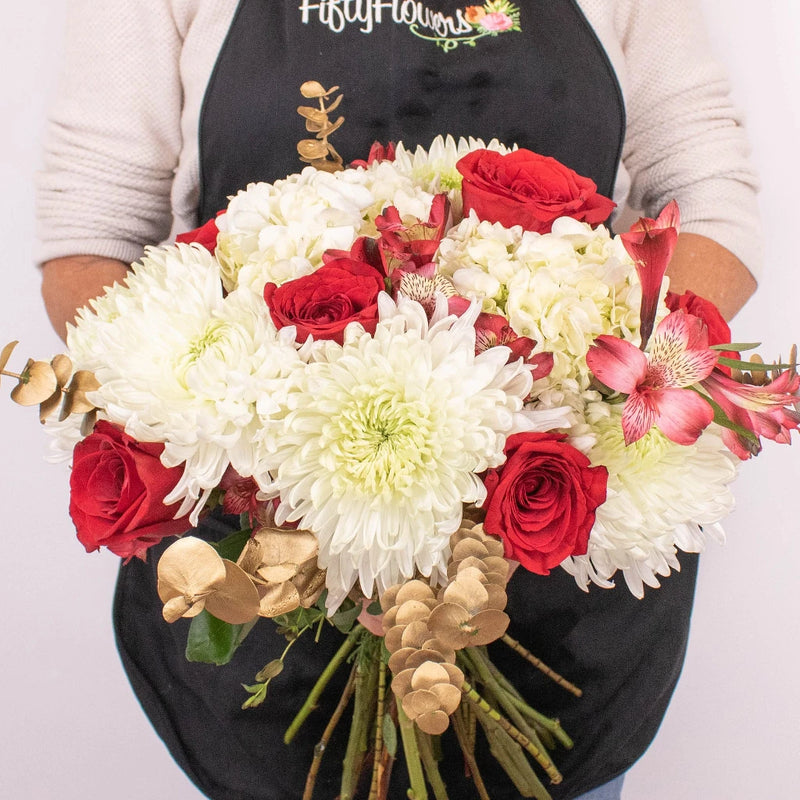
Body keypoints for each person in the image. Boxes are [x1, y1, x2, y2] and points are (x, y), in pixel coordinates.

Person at [36, 1, 760, 798]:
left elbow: (710, 193)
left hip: (555, 553)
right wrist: (269, 463)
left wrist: (595, 383)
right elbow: (92, 237)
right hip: (274, 537)